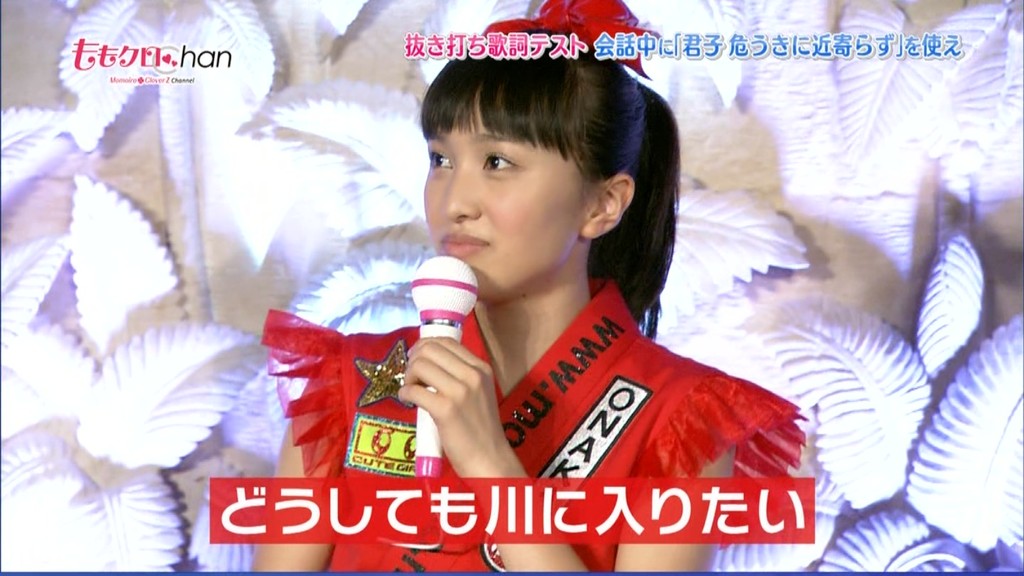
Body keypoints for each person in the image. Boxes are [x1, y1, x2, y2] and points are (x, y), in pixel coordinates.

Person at [253, 0, 805, 571]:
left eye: (497, 162)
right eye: (441, 159)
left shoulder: (679, 419)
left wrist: (490, 464)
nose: (455, 202)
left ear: (603, 204)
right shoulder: (348, 383)